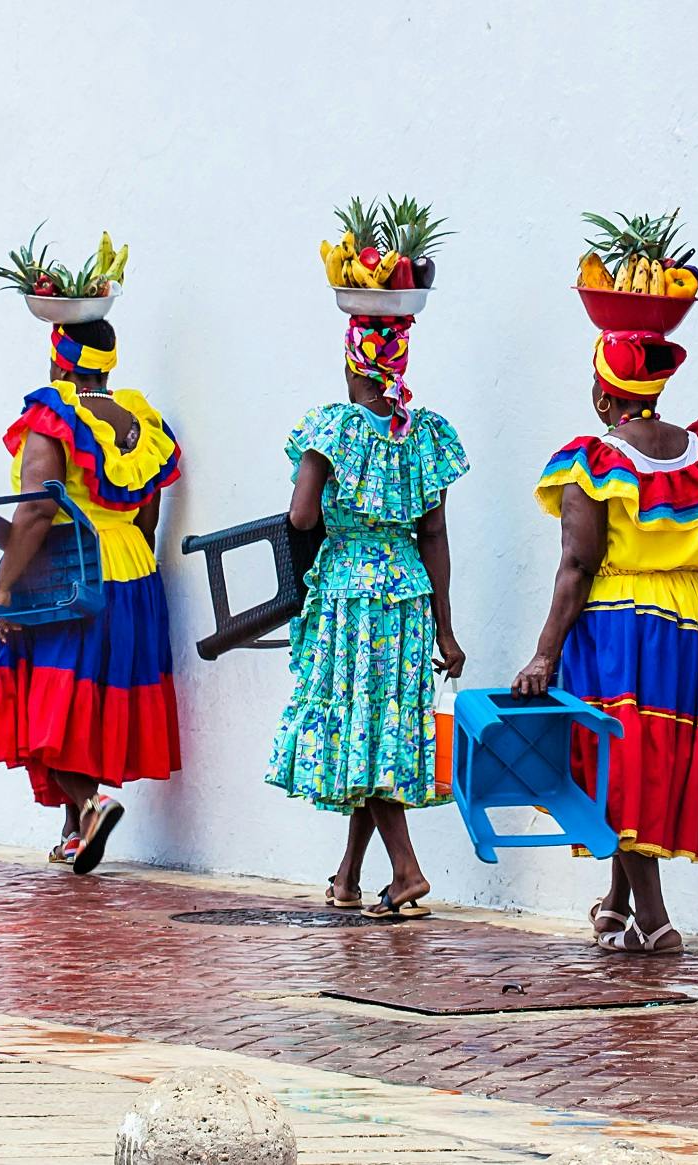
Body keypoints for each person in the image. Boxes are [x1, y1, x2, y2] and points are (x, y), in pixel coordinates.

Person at [515, 329, 698, 955]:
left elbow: (577, 564)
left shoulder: (591, 461)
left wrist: (544, 652)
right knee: (657, 761)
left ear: (602, 396)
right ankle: (617, 903)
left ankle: (655, 917)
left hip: (621, 621)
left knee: (618, 767)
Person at [267, 314, 468, 920]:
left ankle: (406, 871)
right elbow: (434, 534)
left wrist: (332, 501)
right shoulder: (423, 434)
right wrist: (446, 629)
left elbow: (302, 518)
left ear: (353, 361)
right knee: (378, 730)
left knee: (361, 729)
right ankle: (350, 876)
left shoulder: (333, 429)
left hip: (350, 596)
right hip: (407, 594)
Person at [0, 318, 182, 875]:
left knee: (42, 695)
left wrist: (4, 586)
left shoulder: (53, 419)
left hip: (71, 570)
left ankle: (92, 805)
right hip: (132, 569)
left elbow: (38, 509)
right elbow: (148, 509)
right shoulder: (140, 419)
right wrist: (132, 571)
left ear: (58, 358)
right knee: (89, 695)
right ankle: (73, 831)